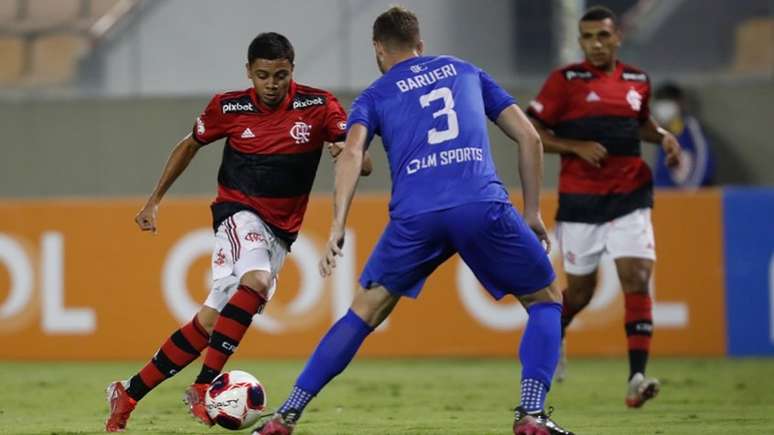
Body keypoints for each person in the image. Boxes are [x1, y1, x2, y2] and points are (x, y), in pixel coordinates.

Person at [255, 6, 573, 435]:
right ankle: (531, 414)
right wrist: (532, 212)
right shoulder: (466, 70)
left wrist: (336, 226)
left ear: (378, 49)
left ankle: (286, 415)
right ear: (420, 45)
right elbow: (529, 137)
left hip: (415, 217)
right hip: (480, 204)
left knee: (362, 313)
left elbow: (351, 154)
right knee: (545, 299)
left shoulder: (375, 93)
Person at [104, 32, 372, 432]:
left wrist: (346, 153)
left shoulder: (318, 106)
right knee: (257, 280)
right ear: (249, 72)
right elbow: (189, 144)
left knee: (211, 322)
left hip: (281, 233)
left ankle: (128, 392)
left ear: (291, 70)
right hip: (238, 214)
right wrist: (154, 199)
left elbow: (360, 162)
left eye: (280, 75)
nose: (272, 84)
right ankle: (202, 385)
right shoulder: (227, 107)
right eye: (263, 75)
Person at [525, 6, 681, 408]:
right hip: (580, 202)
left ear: (617, 38)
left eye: (603, 36)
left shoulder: (636, 80)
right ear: (580, 42)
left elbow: (640, 123)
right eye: (588, 37)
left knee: (636, 275)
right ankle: (555, 337)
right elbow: (532, 131)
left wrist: (662, 136)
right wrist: (574, 146)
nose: (596, 44)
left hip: (630, 194)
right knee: (579, 293)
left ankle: (636, 377)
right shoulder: (565, 82)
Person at [652, 82, 715, 188]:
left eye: (667, 104)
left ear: (680, 103)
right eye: (660, 105)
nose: (664, 110)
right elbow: (661, 173)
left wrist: (690, 191)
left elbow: (704, 161)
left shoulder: (692, 128)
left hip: (697, 196)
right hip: (672, 200)